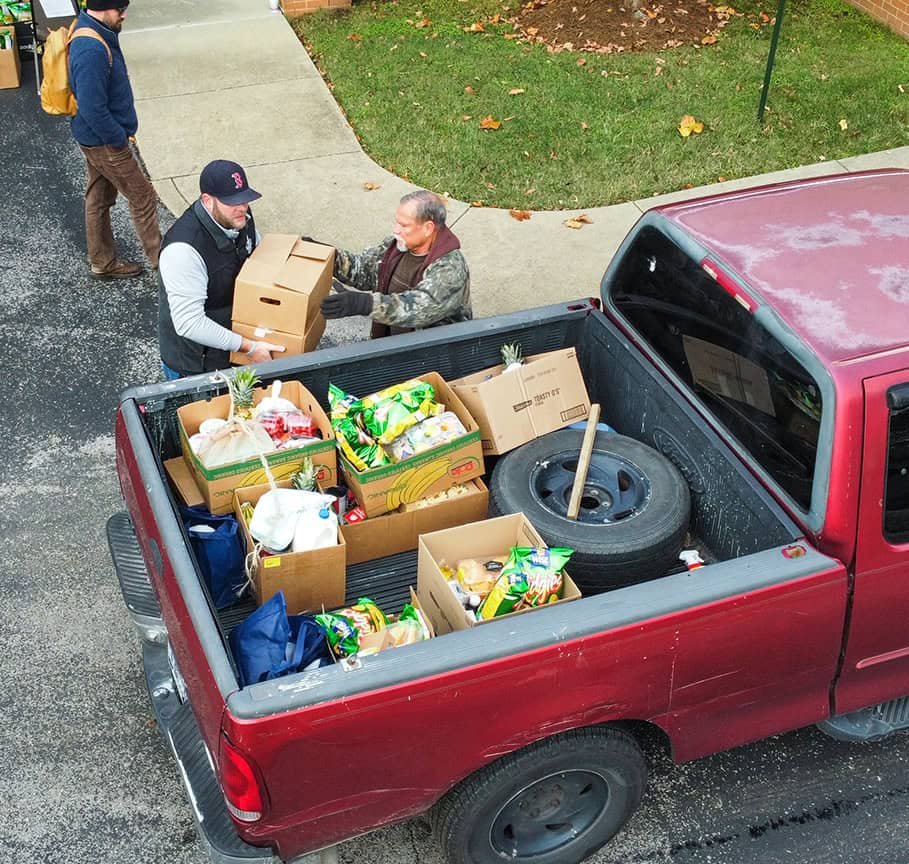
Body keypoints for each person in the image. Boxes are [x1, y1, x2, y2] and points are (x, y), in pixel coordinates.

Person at [158, 160, 285, 379]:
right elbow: (190, 323)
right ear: (207, 200)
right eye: (232, 202)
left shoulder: (238, 216)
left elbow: (255, 252)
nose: (242, 207)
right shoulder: (183, 250)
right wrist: (250, 347)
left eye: (245, 199)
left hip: (230, 348)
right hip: (195, 365)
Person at [68, 0, 161, 279]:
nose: (124, 14)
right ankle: (163, 263)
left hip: (93, 138)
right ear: (105, 9)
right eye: (120, 9)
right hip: (105, 142)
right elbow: (92, 106)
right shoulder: (91, 49)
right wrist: (118, 139)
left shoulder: (93, 30)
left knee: (99, 197)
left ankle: (102, 262)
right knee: (143, 196)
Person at [320, 190, 471, 338]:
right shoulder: (397, 246)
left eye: (404, 225)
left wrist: (363, 304)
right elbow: (366, 271)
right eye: (397, 222)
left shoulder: (450, 267)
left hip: (435, 353)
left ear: (428, 228)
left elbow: (418, 309)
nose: (396, 230)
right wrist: (329, 257)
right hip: (396, 344)